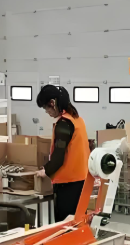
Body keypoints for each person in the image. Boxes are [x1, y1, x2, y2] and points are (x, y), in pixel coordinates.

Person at [34, 85, 90, 222]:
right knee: (78, 222)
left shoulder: (64, 124)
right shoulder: (78, 120)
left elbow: (59, 157)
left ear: (52, 103)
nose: (47, 112)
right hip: (81, 180)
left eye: (46, 108)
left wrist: (45, 170)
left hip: (67, 184)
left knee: (65, 226)